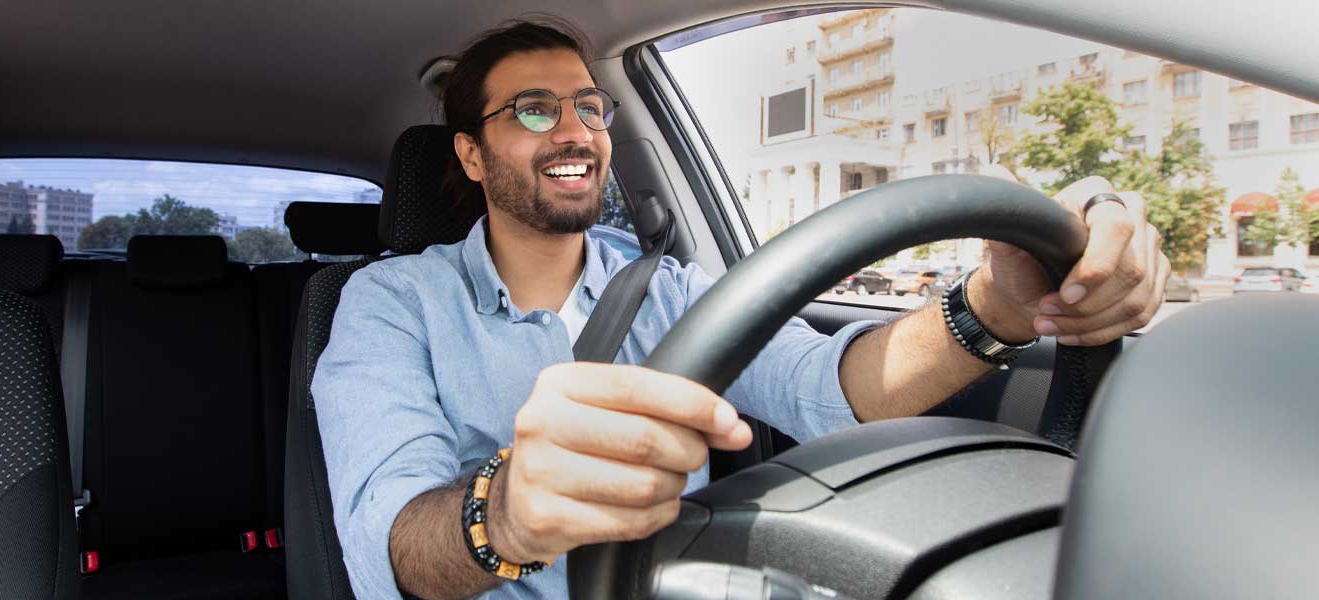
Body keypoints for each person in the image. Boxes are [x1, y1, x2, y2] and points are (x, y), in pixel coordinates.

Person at [312, 18, 1169, 600]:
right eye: (533, 110)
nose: (573, 130)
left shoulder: (666, 288)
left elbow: (831, 387)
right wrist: (505, 510)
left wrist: (995, 306)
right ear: (470, 155)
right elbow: (389, 544)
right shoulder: (390, 304)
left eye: (588, 107)